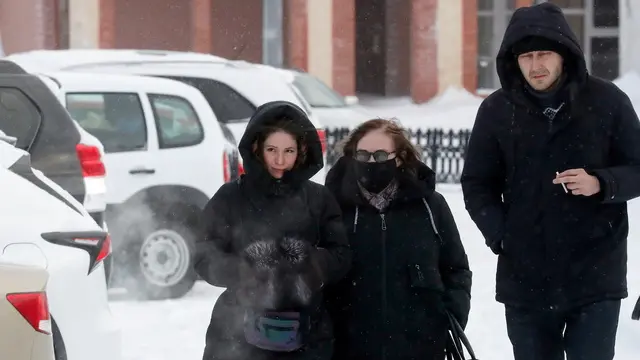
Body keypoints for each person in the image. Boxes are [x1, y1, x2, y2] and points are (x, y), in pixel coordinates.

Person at [461, 3, 640, 360]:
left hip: (595, 273)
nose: (535, 65)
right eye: (527, 56)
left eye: (544, 54)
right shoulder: (497, 111)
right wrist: (502, 235)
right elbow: (477, 183)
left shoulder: (607, 101)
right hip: (525, 277)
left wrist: (602, 182)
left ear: (564, 54)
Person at [194, 101, 351, 360]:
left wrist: (311, 264)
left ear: (301, 151)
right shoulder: (231, 196)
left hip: (309, 332)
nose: (280, 160)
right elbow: (204, 252)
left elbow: (341, 254)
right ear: (256, 148)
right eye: (272, 150)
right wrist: (243, 270)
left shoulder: (319, 199)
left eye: (289, 151)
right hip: (236, 332)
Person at [324, 119, 472, 360]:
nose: (371, 162)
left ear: (400, 157)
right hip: (349, 346)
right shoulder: (334, 206)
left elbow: (456, 269)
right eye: (362, 154)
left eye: (381, 155)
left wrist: (446, 319)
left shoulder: (430, 206)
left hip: (419, 346)